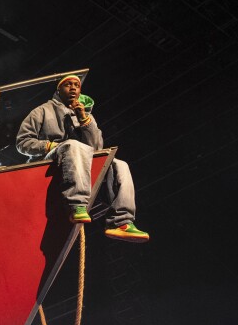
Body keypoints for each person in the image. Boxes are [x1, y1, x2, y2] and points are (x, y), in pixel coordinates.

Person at [15, 75, 149, 243]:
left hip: (80, 160)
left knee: (120, 164)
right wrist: (51, 146)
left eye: (76, 85)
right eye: (68, 85)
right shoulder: (41, 111)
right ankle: (77, 205)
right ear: (58, 90)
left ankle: (121, 222)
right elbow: (23, 143)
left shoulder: (86, 115)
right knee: (73, 145)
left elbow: (96, 148)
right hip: (49, 161)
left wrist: (84, 120)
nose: (73, 88)